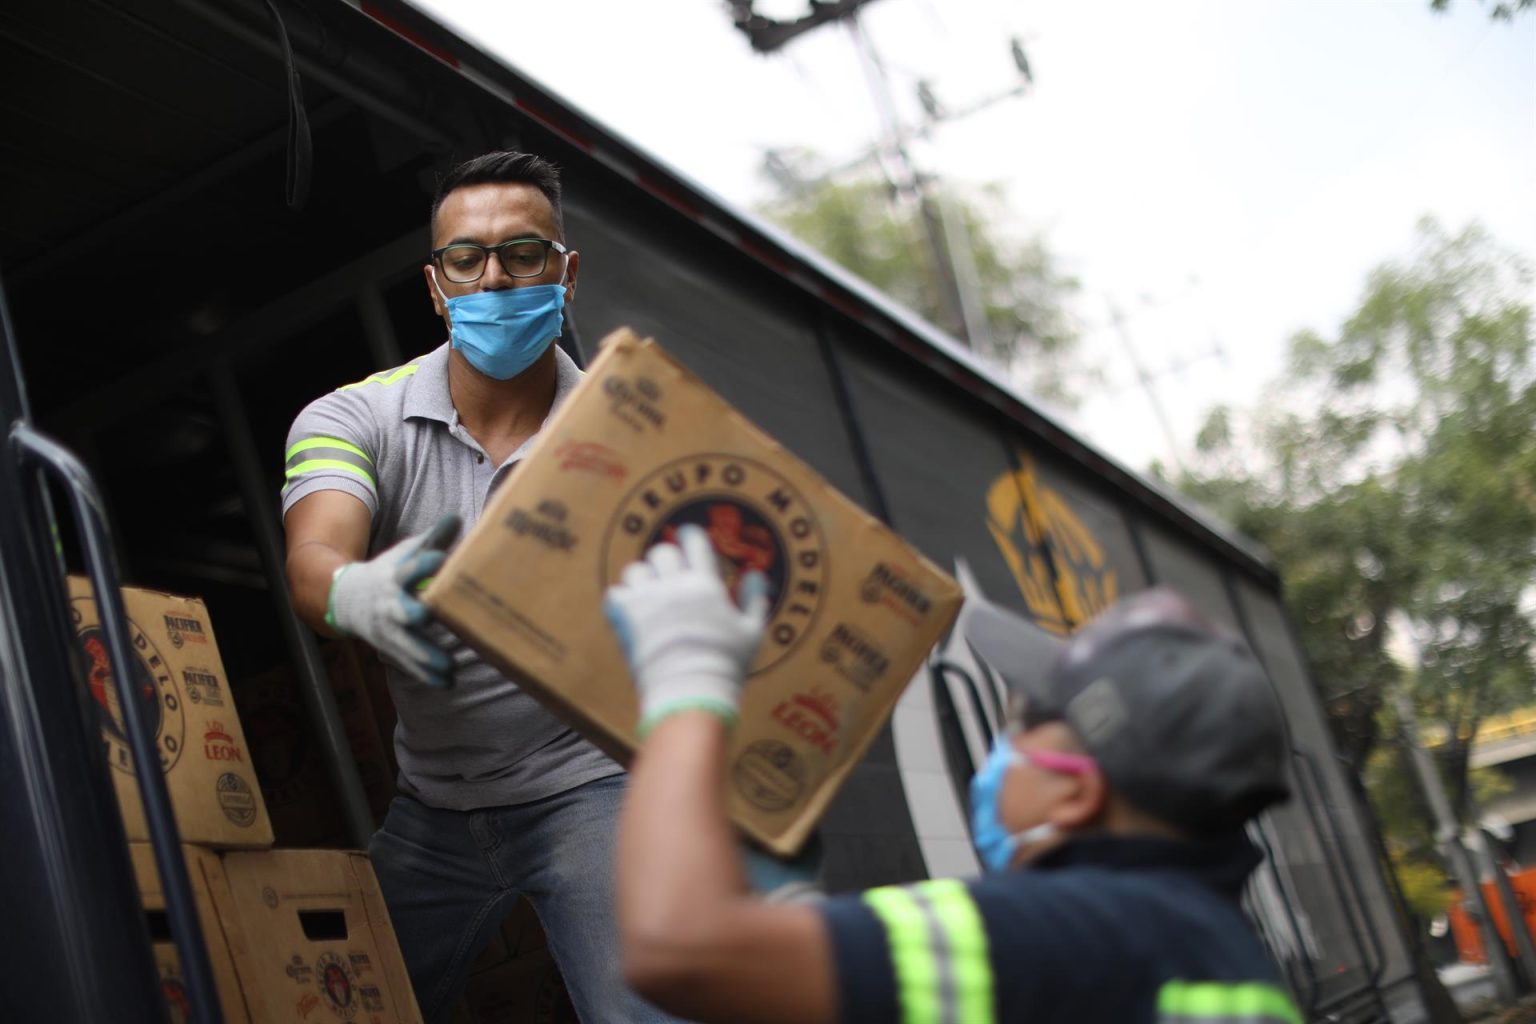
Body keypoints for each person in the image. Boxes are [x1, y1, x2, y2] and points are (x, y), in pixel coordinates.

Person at [280, 150, 683, 1023]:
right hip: (433, 804)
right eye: (467, 258)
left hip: (593, 791)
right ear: (435, 286)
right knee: (345, 1004)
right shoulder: (353, 418)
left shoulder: (637, 440)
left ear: (566, 272)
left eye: (524, 253)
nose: (494, 277)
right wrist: (356, 592)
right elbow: (314, 556)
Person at [604, 525, 1301, 1024]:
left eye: (1023, 723)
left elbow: (679, 947)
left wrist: (685, 679)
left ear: (1077, 788)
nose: (1002, 747)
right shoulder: (1211, 953)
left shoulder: (1086, 932)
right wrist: (788, 924)